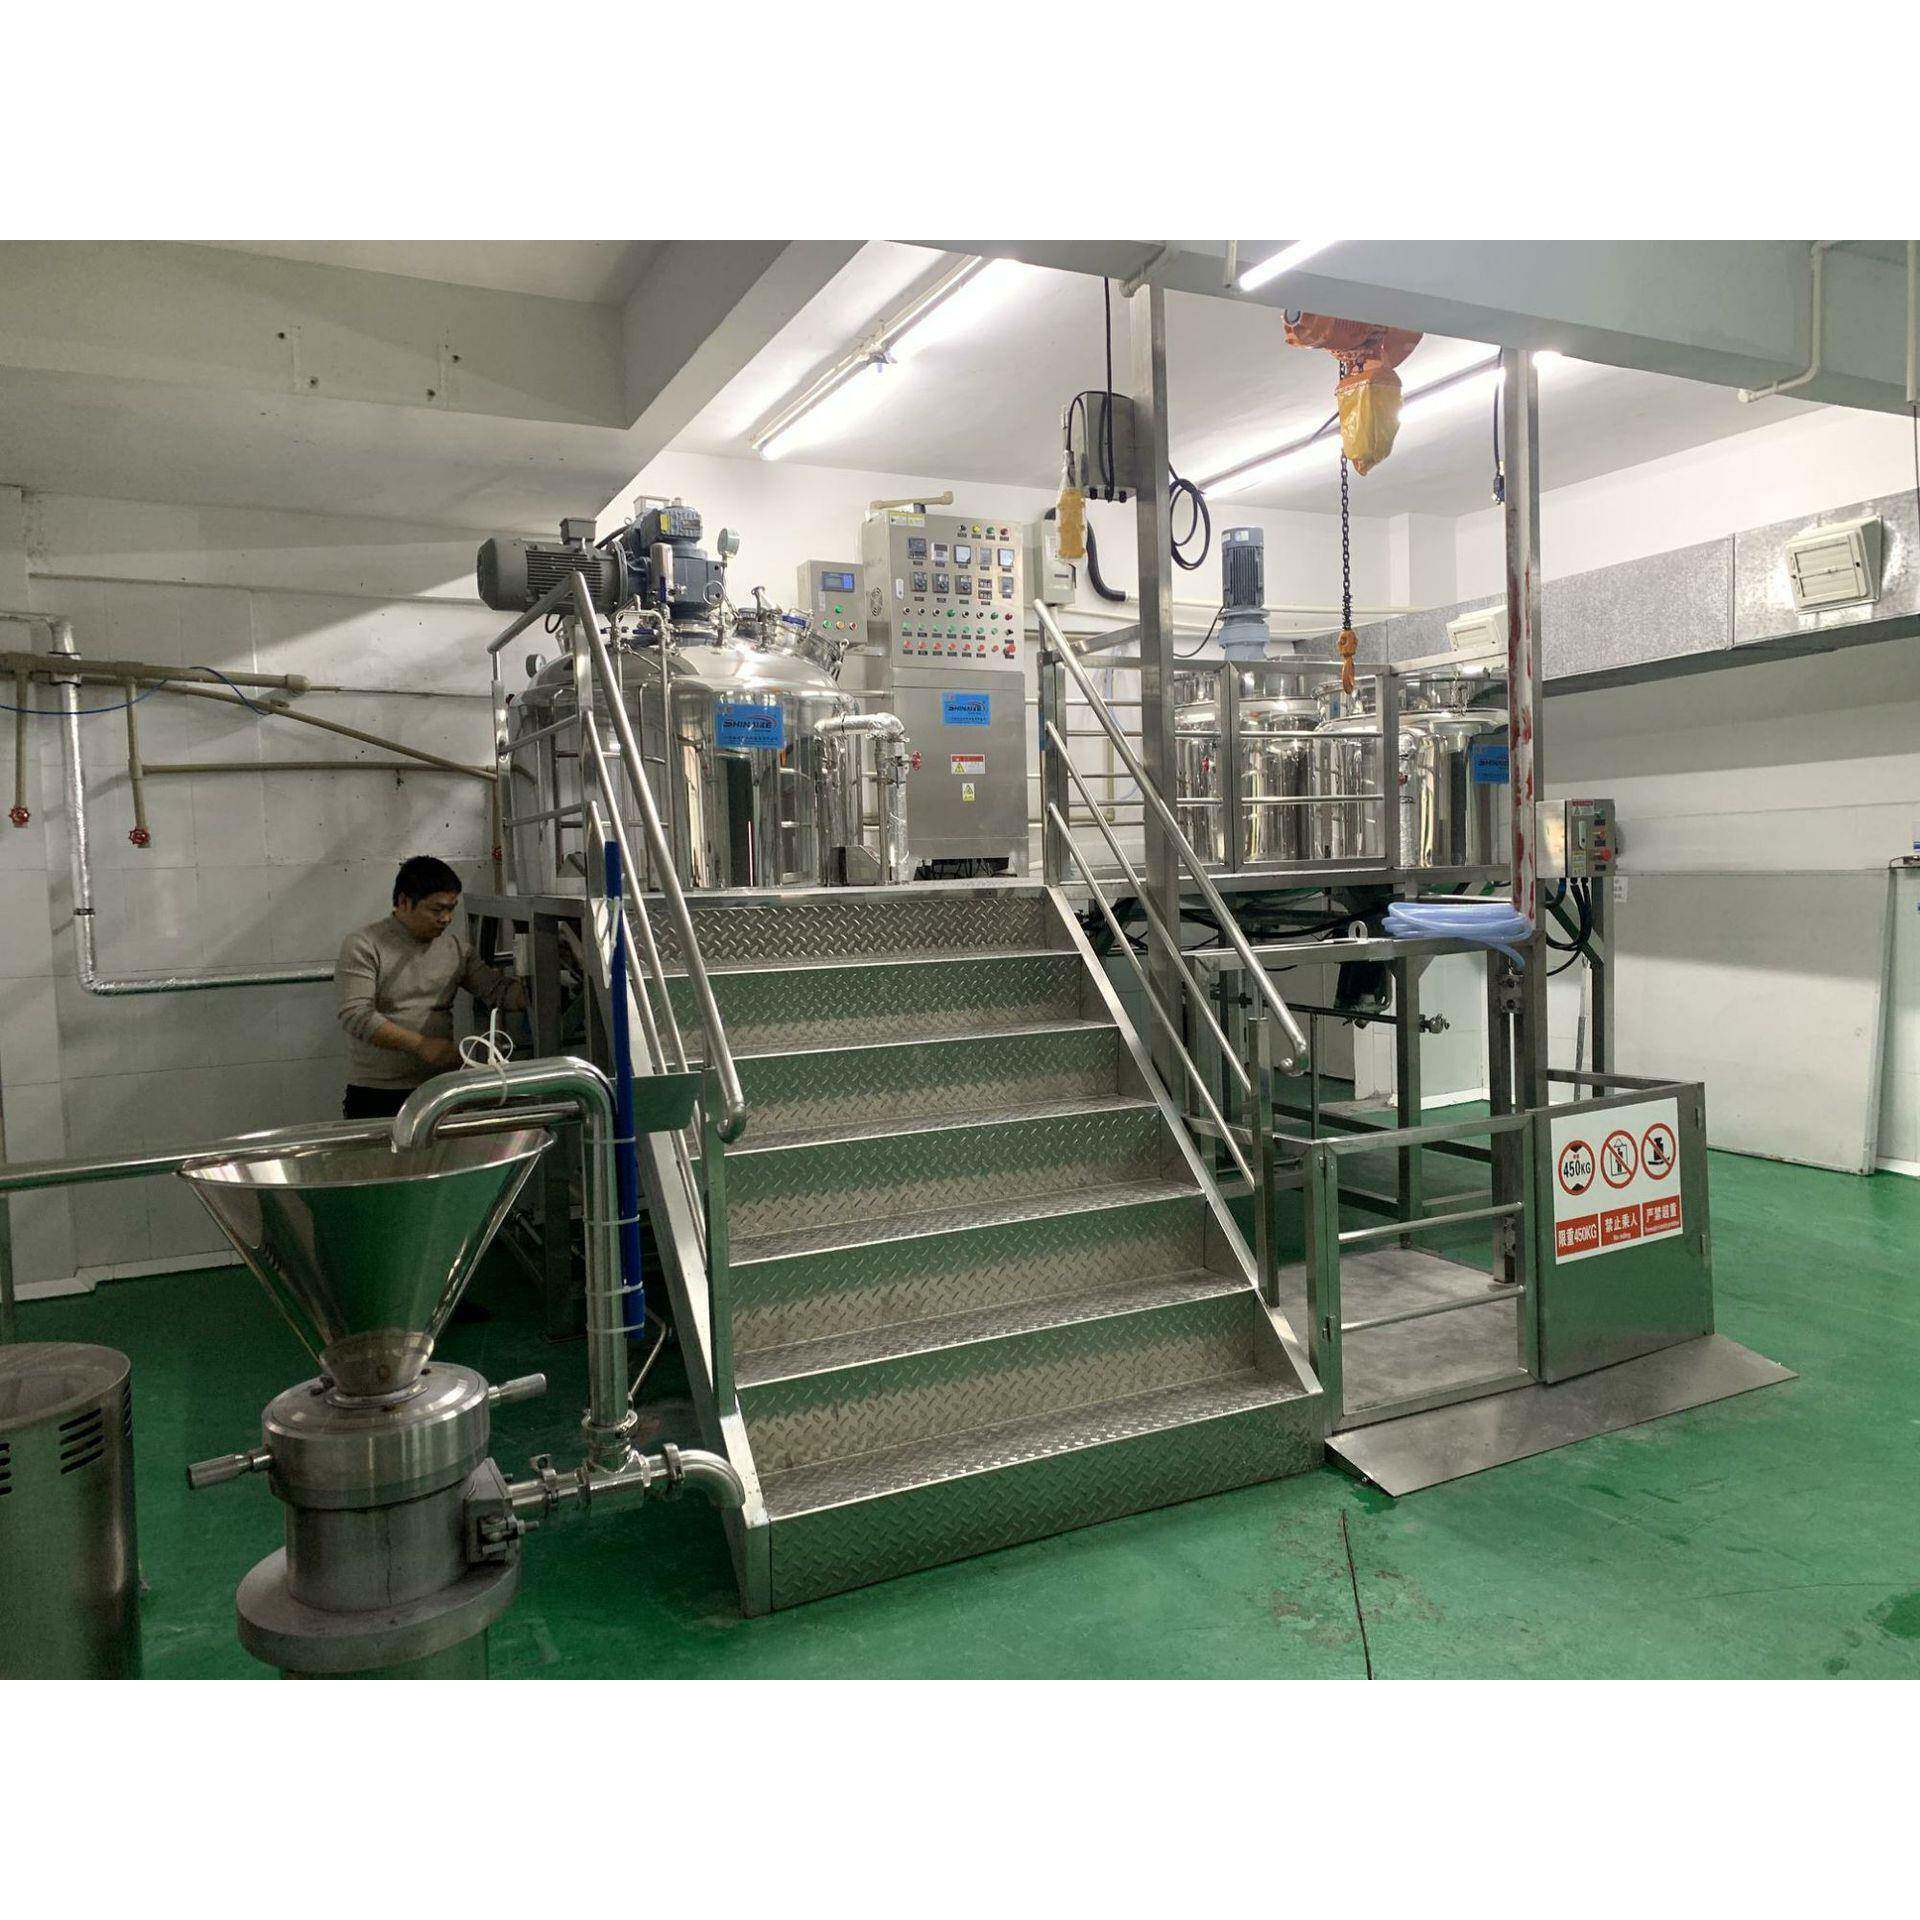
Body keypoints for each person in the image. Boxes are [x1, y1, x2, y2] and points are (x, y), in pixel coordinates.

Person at [336, 855, 527, 1121]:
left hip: (440, 1089)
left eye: (451, 909)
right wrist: (422, 1045)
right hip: (378, 1092)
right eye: (437, 910)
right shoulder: (365, 945)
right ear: (404, 901)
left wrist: (545, 978)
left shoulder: (456, 950)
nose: (446, 919)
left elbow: (498, 991)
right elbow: (356, 1015)